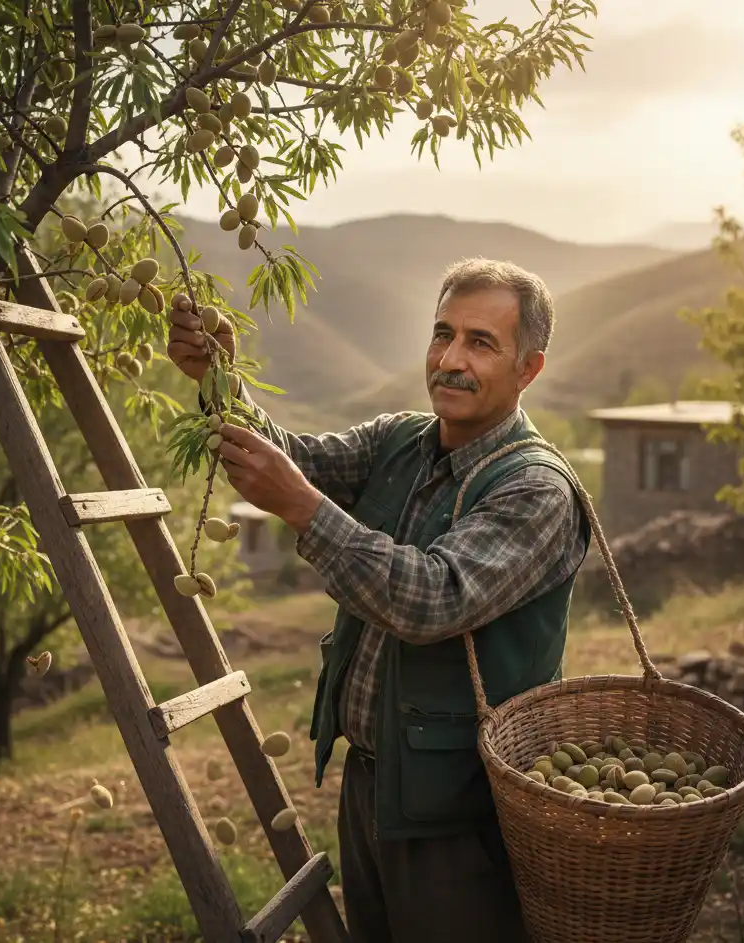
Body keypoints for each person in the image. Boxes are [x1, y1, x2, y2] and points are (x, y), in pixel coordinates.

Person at [166, 257, 590, 943]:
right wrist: (217, 381)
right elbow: (293, 459)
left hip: (459, 817)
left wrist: (303, 509)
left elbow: (431, 598)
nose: (450, 359)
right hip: (374, 785)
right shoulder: (401, 441)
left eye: (481, 342)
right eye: (442, 333)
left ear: (528, 369)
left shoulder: (536, 490)